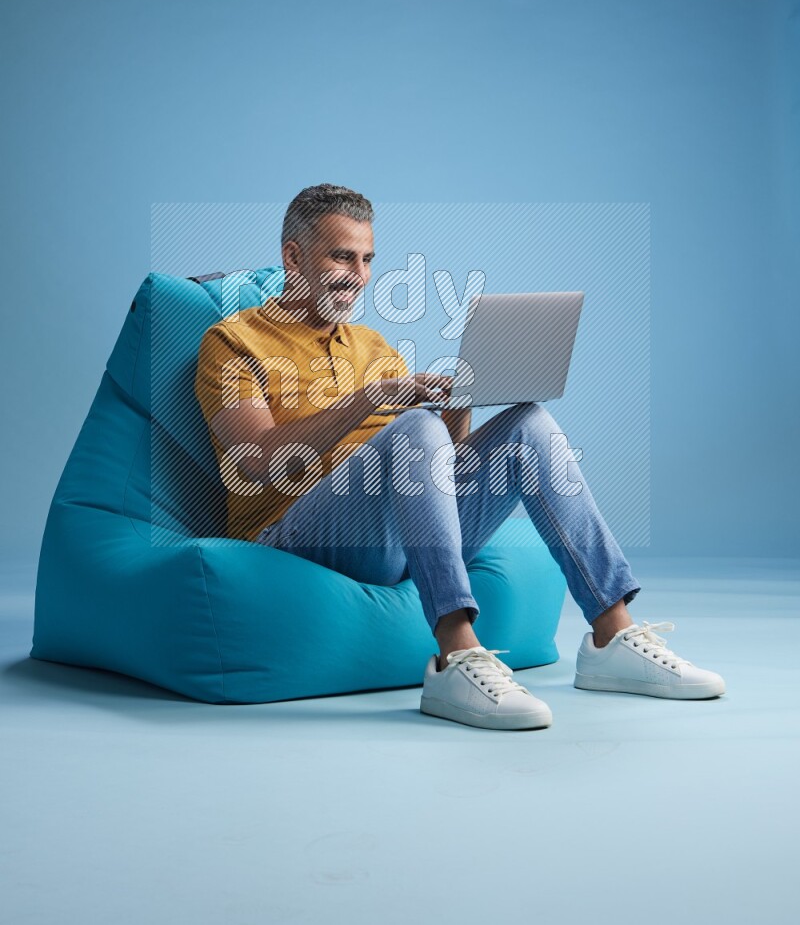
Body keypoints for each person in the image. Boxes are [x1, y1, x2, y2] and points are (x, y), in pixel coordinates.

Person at [195, 184, 726, 730]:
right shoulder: (234, 342)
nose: (358, 275)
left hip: (398, 534)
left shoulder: (373, 346)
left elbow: (433, 460)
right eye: (341, 256)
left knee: (527, 423)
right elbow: (252, 459)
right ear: (293, 257)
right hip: (296, 536)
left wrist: (461, 404)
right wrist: (369, 401)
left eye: (368, 259)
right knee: (415, 427)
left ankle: (612, 632)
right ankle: (455, 654)